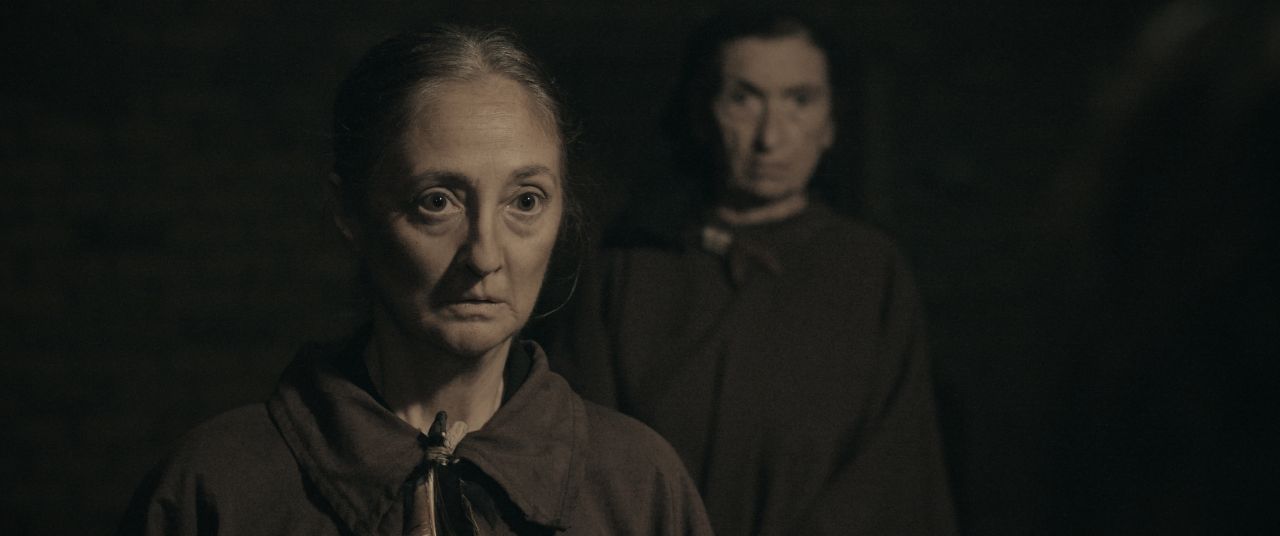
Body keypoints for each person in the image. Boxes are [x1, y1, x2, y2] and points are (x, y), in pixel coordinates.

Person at [118, 25, 713, 536]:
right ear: (349, 212)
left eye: (526, 200)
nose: (485, 256)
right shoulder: (221, 486)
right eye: (437, 201)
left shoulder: (636, 484)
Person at [544, 11, 957, 535]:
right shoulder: (628, 268)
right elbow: (579, 465)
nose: (770, 136)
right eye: (744, 98)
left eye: (800, 100)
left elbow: (894, 477)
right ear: (702, 112)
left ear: (830, 123)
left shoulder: (869, 272)